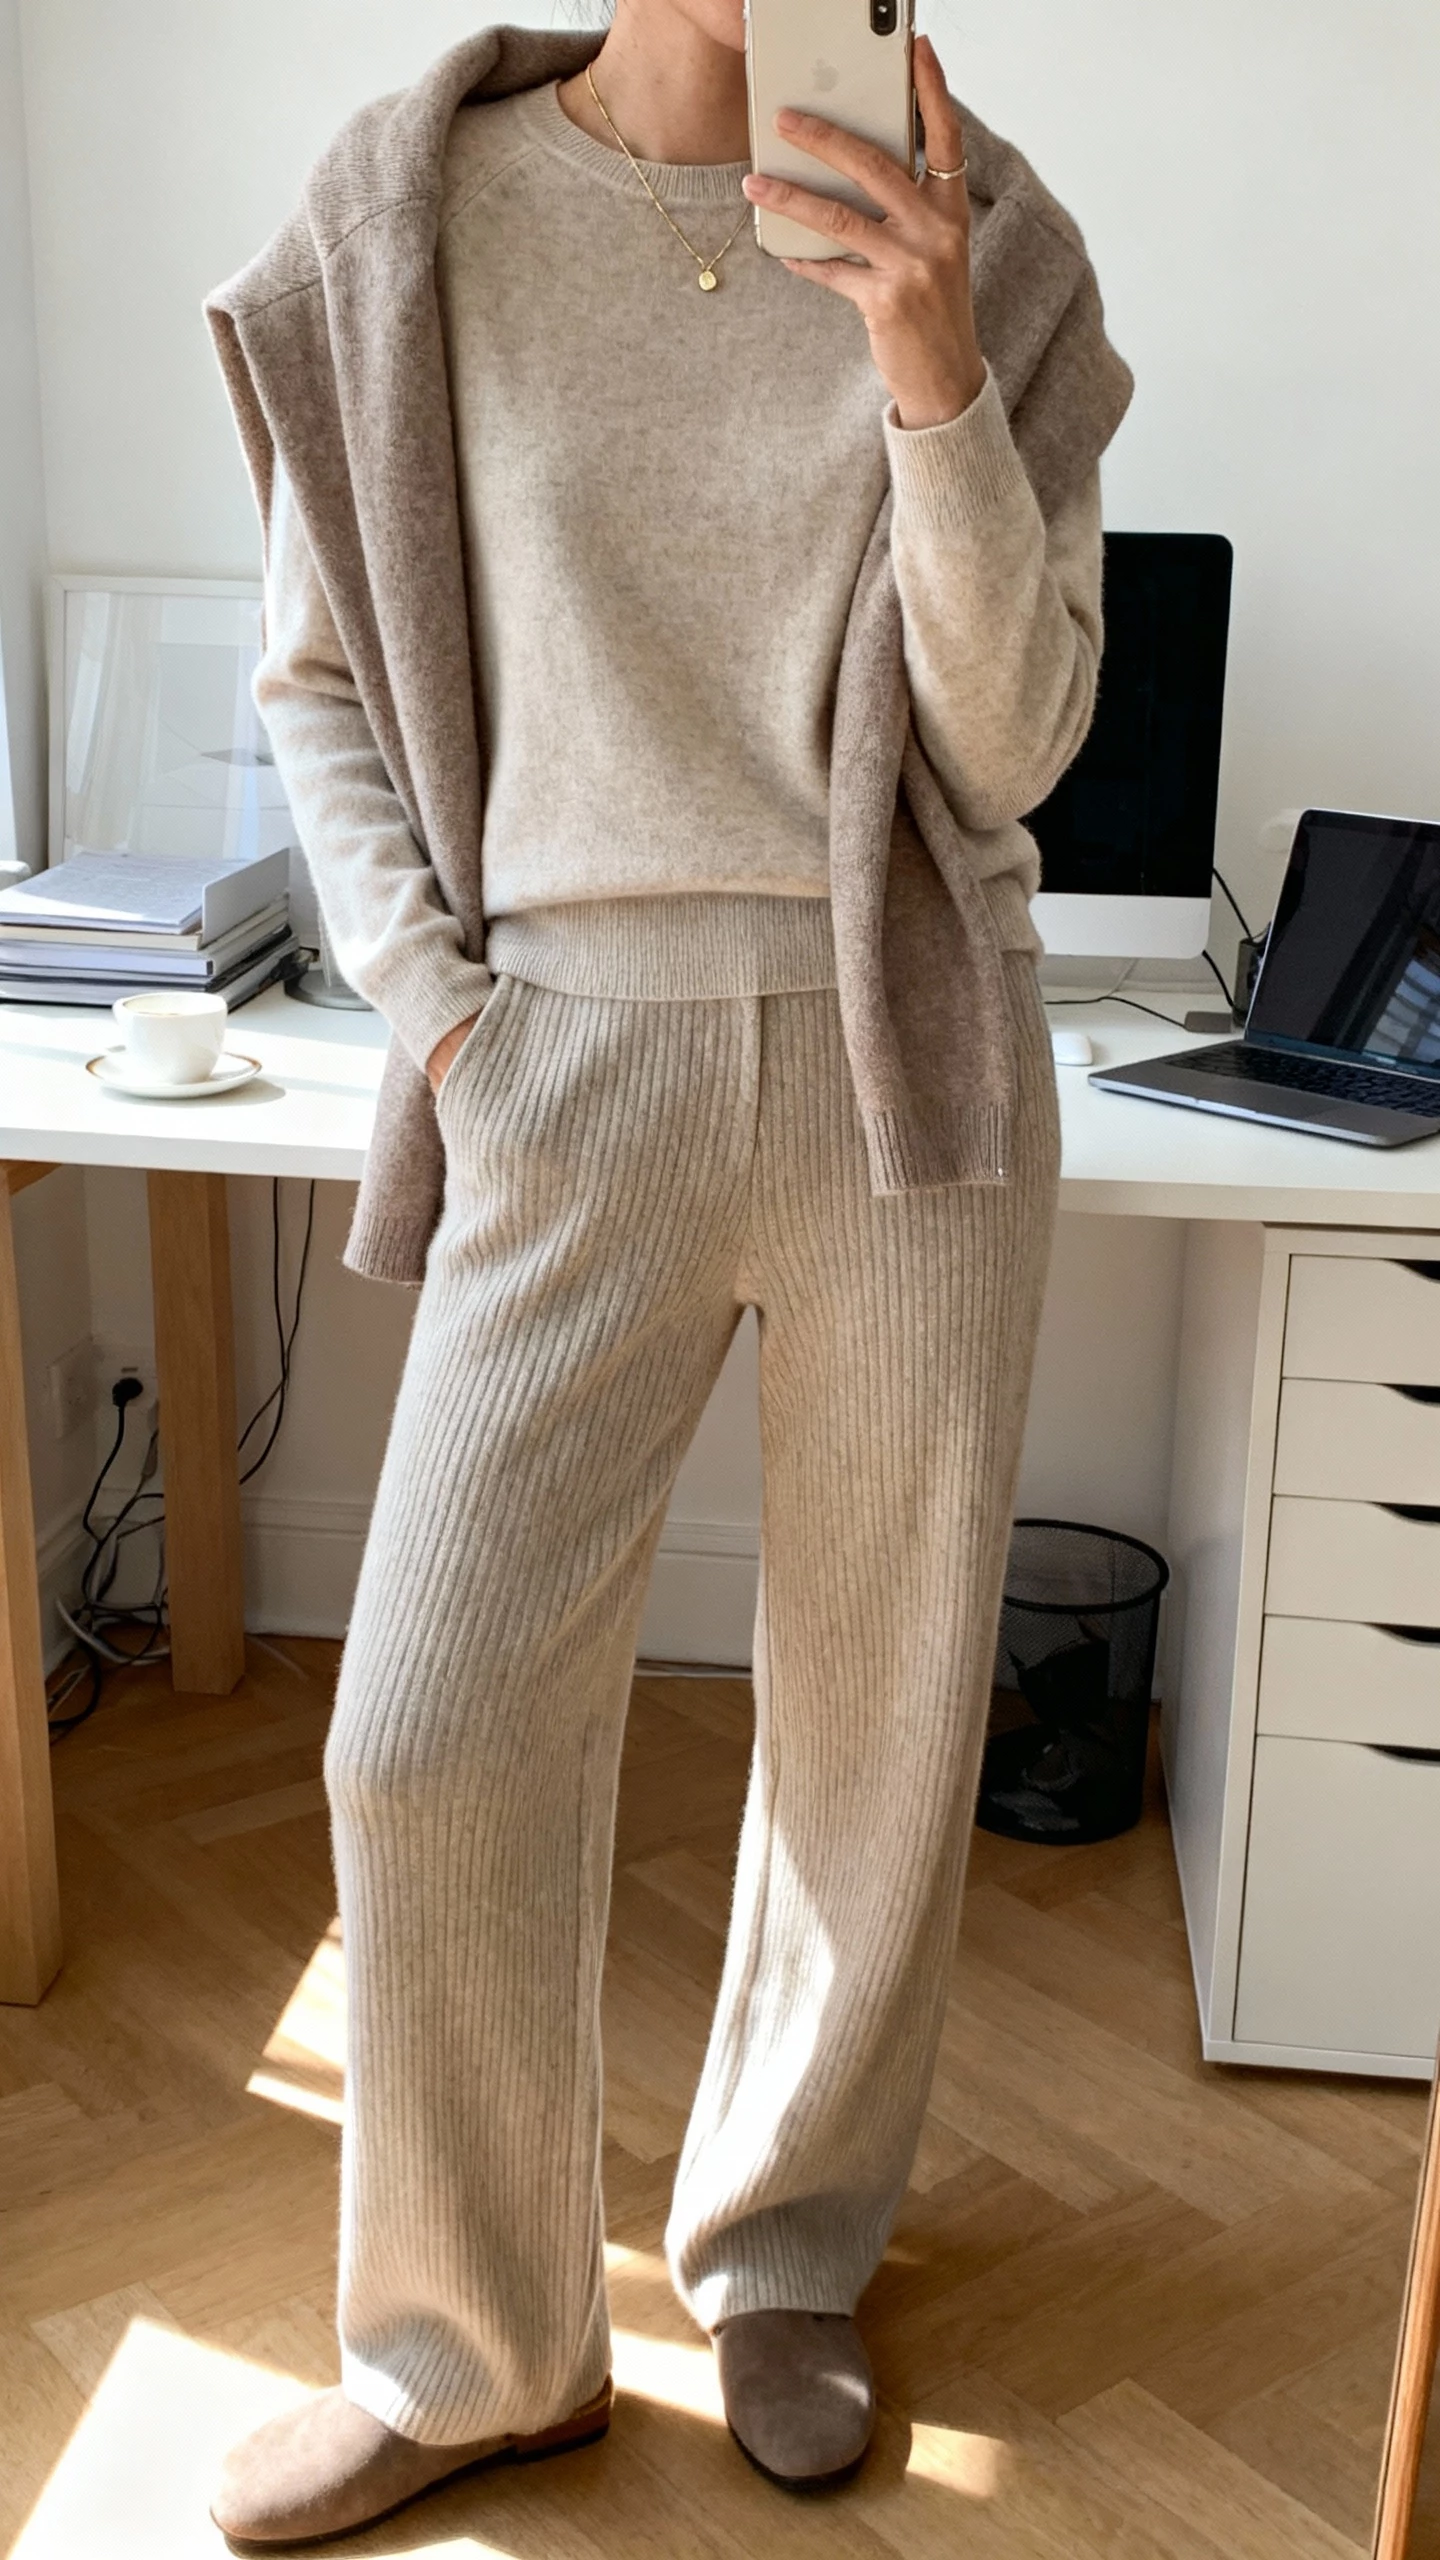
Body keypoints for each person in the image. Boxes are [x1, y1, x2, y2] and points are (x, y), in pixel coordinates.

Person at [204, 3, 1130, 2543]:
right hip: (558, 1060)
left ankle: (789, 2247)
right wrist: (450, 1025)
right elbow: (317, 679)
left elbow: (1017, 731)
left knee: (873, 1705)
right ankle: (470, 2342)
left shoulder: (987, 220)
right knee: (423, 1728)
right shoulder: (420, 210)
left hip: (896, 1066)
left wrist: (930, 362)